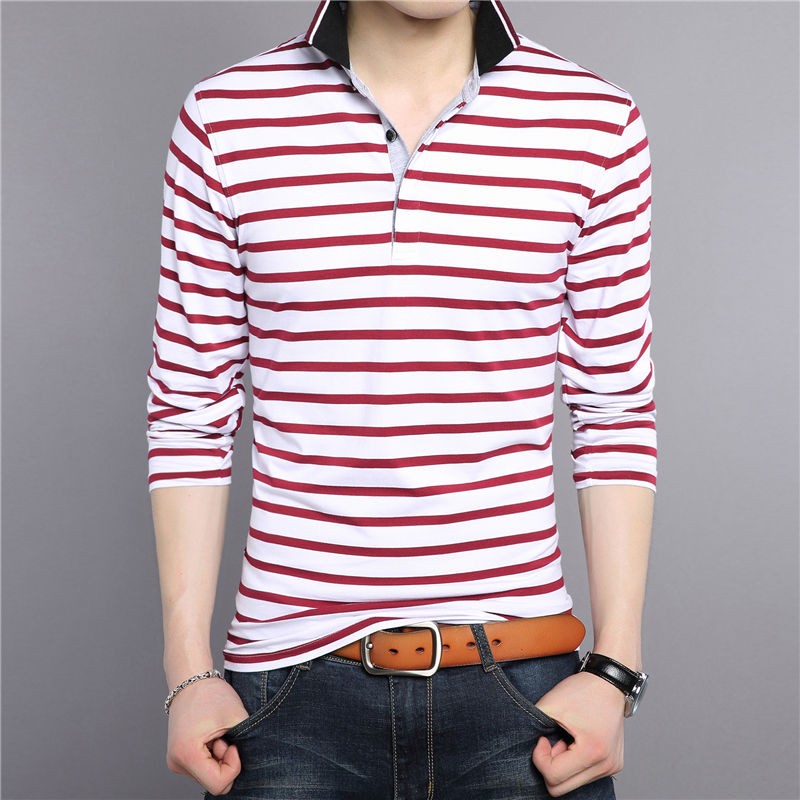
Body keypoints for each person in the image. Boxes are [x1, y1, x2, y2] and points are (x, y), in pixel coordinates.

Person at [146, 1, 656, 797]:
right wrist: (187, 671)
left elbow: (615, 408)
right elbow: (190, 409)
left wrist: (614, 670)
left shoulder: (595, 122)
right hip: (288, 699)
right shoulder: (225, 118)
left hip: (524, 695)